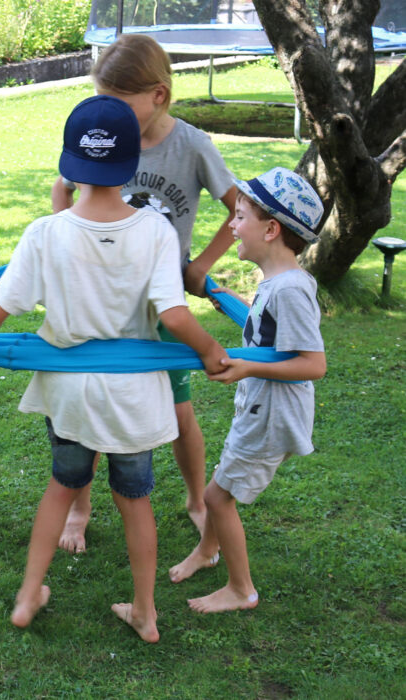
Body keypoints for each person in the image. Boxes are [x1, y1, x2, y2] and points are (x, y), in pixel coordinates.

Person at [0, 95, 228, 641]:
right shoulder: (155, 230)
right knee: (135, 500)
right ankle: (146, 611)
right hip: (133, 397)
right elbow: (174, 314)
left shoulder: (46, 232)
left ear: (68, 164)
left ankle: (30, 591)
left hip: (70, 396)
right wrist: (209, 351)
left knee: (62, 486)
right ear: (131, 163)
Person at [51, 33, 238, 553]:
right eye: (101, 99)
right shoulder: (102, 137)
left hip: (163, 307)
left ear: (158, 94)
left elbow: (239, 208)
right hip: (100, 299)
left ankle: (198, 501)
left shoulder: (193, 145)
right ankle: (79, 509)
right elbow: (64, 189)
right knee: (87, 405)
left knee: (179, 412)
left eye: (118, 101)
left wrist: (200, 265)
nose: (106, 111)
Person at [168, 166, 327, 613]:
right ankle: (206, 550)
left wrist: (243, 367)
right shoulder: (278, 283)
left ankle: (242, 589)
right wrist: (218, 296)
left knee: (217, 496)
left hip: (272, 415)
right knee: (222, 484)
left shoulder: (290, 290)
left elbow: (313, 364)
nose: (232, 225)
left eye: (240, 217)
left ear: (271, 229)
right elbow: (271, 339)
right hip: (260, 408)